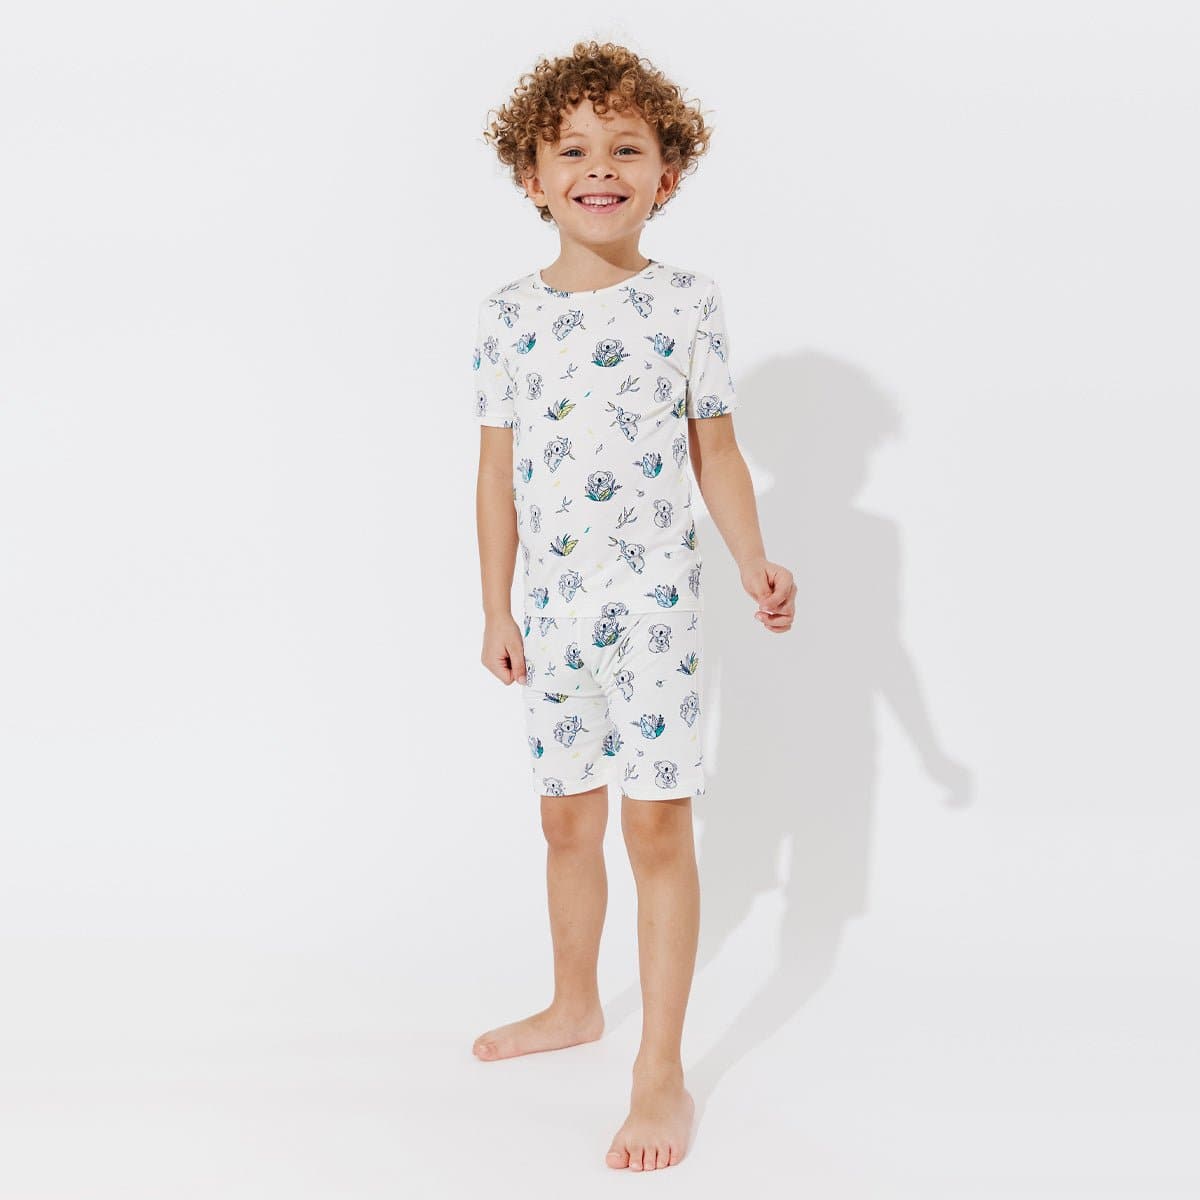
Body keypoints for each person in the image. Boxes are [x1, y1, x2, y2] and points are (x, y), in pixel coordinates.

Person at [469, 40, 796, 1172]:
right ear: (532, 176)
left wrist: (753, 560)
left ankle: (660, 1070)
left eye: (626, 148)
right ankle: (574, 1005)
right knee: (565, 820)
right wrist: (496, 608)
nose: (599, 168)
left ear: (668, 172)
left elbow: (717, 451)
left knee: (655, 826)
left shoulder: (686, 303)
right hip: (553, 617)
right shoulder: (507, 316)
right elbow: (496, 475)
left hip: (654, 610)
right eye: (572, 150)